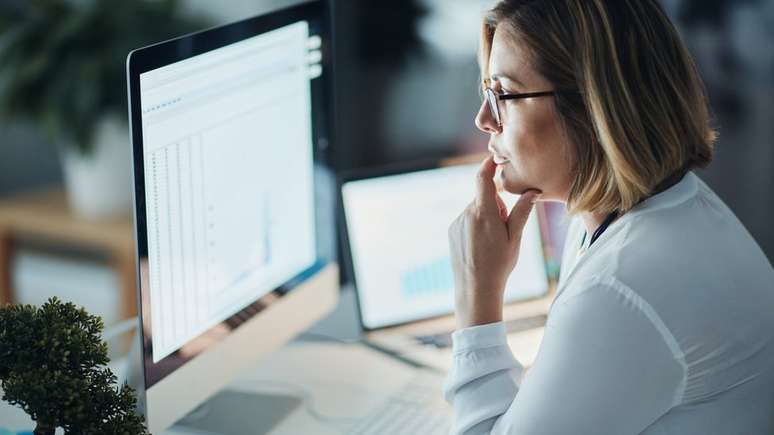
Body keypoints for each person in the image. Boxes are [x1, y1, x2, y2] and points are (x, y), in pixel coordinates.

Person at [445, 1, 774, 434]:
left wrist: (478, 295)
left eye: (504, 94)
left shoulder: (623, 284)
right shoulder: (661, 208)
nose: (484, 119)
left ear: (591, 107)